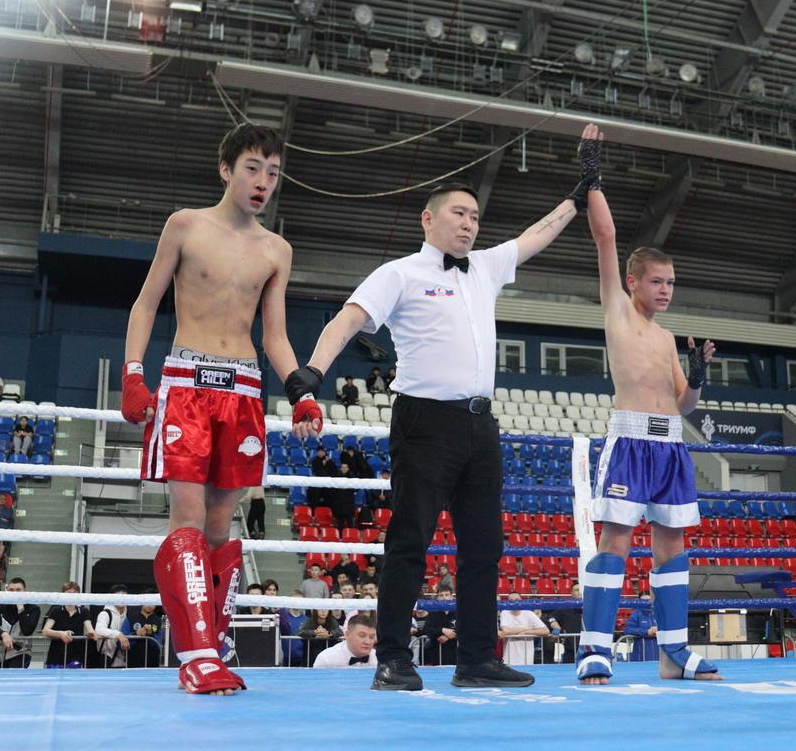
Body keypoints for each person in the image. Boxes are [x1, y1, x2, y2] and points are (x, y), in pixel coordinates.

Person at [295, 131, 594, 691]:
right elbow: (348, 319)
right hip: (423, 421)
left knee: (485, 545)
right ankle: (392, 658)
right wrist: (312, 374)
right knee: (410, 540)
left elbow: (535, 236)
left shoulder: (484, 267)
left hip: (481, 424)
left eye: (476, 216)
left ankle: (476, 658)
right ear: (428, 221)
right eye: (458, 212)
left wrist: (577, 196)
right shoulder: (401, 273)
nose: (469, 223)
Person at [120, 122, 322, 694]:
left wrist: (300, 391)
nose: (263, 182)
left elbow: (276, 337)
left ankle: (212, 640)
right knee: (185, 519)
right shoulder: (185, 225)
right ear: (226, 169)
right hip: (186, 382)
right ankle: (196, 656)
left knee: (219, 526)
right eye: (253, 168)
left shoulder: (276, 249)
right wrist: (134, 376)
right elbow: (145, 303)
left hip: (245, 390)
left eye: (274, 173)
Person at [575, 125, 721, 684]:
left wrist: (701, 375)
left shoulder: (666, 339)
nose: (665, 290)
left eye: (671, 283)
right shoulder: (616, 309)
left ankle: (676, 652)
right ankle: (594, 648)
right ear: (633, 281)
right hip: (629, 438)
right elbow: (606, 237)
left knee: (673, 544)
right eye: (656, 281)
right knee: (616, 538)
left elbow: (685, 405)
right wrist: (592, 175)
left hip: (671, 445)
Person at [42, 581, 95, 669]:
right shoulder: (56, 610)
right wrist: (61, 633)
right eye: (69, 593)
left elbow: (90, 628)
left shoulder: (84, 611)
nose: (71, 596)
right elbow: (45, 631)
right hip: (56, 656)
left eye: (74, 593)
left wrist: (92, 634)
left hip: (76, 656)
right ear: (63, 594)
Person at [0, 578, 40, 668]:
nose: (15, 593)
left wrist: (20, 608)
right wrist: (3, 634)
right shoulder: (0, 606)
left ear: (24, 591)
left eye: (18, 590)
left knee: (13, 678)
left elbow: (27, 631)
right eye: (11, 590)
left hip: (21, 653)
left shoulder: (34, 609)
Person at [498, 593, 549, 666]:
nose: (514, 602)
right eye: (511, 600)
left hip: (527, 658)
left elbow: (546, 631)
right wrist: (525, 628)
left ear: (521, 601)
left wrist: (526, 632)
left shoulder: (529, 613)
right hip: (509, 657)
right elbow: (506, 631)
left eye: (517, 600)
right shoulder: (505, 613)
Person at [313, 614, 378, 668]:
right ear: (347, 635)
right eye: (362, 635)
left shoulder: (379, 659)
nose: (367, 642)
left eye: (371, 637)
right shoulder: (326, 659)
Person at [93, 584, 132, 668]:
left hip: (125, 660)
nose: (121, 600)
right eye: (118, 597)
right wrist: (118, 635)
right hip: (107, 658)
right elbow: (98, 630)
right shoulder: (105, 614)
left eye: (124, 597)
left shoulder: (129, 615)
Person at [545, 584, 583, 663]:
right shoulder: (566, 607)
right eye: (576, 590)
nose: (580, 592)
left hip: (589, 648)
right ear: (571, 593)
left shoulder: (593, 607)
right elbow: (550, 617)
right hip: (571, 648)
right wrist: (556, 626)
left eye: (581, 589)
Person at [421, 584, 458, 665]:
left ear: (452, 597)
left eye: (447, 595)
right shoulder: (433, 612)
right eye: (441, 595)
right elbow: (426, 629)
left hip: (455, 655)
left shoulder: (458, 612)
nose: (444, 597)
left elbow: (464, 628)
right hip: (437, 655)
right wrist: (442, 630)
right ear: (437, 598)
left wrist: (448, 636)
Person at [124, 594, 165, 668]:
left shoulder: (159, 621)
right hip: (132, 662)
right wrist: (136, 634)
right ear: (142, 602)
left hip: (153, 664)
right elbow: (122, 641)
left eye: (152, 603)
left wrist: (151, 634)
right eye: (147, 602)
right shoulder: (130, 618)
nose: (149, 605)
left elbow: (161, 644)